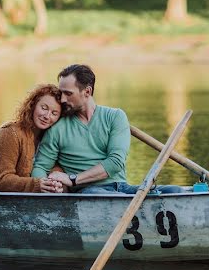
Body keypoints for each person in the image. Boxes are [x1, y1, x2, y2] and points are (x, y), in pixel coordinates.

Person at [32, 64, 183, 194]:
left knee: (175, 191)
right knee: (98, 195)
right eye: (61, 93)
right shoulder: (58, 127)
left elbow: (116, 162)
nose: (63, 99)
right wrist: (46, 185)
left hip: (121, 188)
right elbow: (40, 166)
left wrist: (73, 179)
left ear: (87, 92)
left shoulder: (115, 116)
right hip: (88, 192)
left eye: (68, 93)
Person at [0, 84, 63, 193]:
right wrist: (37, 184)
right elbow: (4, 180)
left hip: (23, 203)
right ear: (33, 105)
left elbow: (55, 167)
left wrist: (54, 182)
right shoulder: (10, 132)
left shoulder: (49, 139)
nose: (47, 116)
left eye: (54, 113)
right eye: (44, 108)